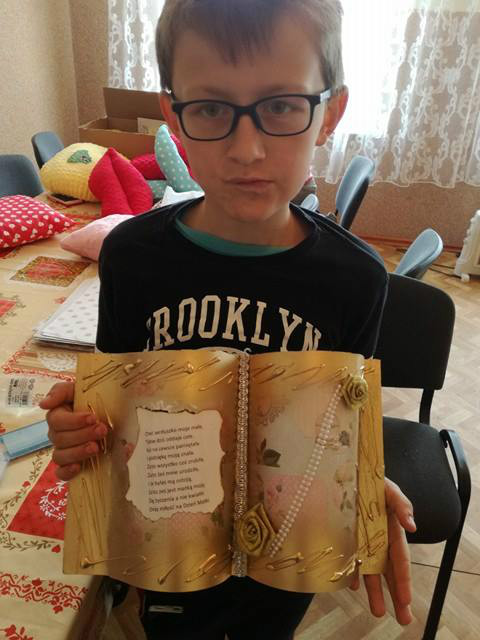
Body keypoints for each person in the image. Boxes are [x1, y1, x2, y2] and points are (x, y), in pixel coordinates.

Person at [41, 1, 416, 638]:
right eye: (212, 108)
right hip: (167, 548)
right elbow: (111, 412)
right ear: (174, 117)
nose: (247, 149)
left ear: (330, 114)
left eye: (282, 106)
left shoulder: (356, 281)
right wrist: (82, 431)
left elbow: (345, 421)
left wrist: (359, 476)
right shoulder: (132, 257)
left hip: (284, 559)